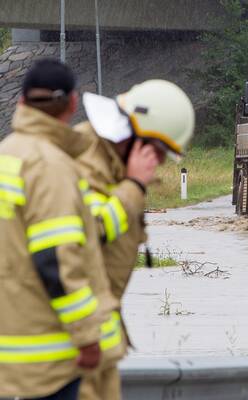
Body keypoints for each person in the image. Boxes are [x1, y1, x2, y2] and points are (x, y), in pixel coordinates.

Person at [0, 59, 124, 399]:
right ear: (72, 103)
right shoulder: (50, 166)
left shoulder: (6, 155)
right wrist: (87, 337)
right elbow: (55, 260)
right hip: (48, 363)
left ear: (21, 101)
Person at [74, 79, 195, 400]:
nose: (156, 163)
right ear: (136, 137)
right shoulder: (86, 159)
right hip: (77, 345)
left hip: (97, 341)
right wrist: (133, 187)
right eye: (155, 151)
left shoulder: (110, 160)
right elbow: (88, 232)